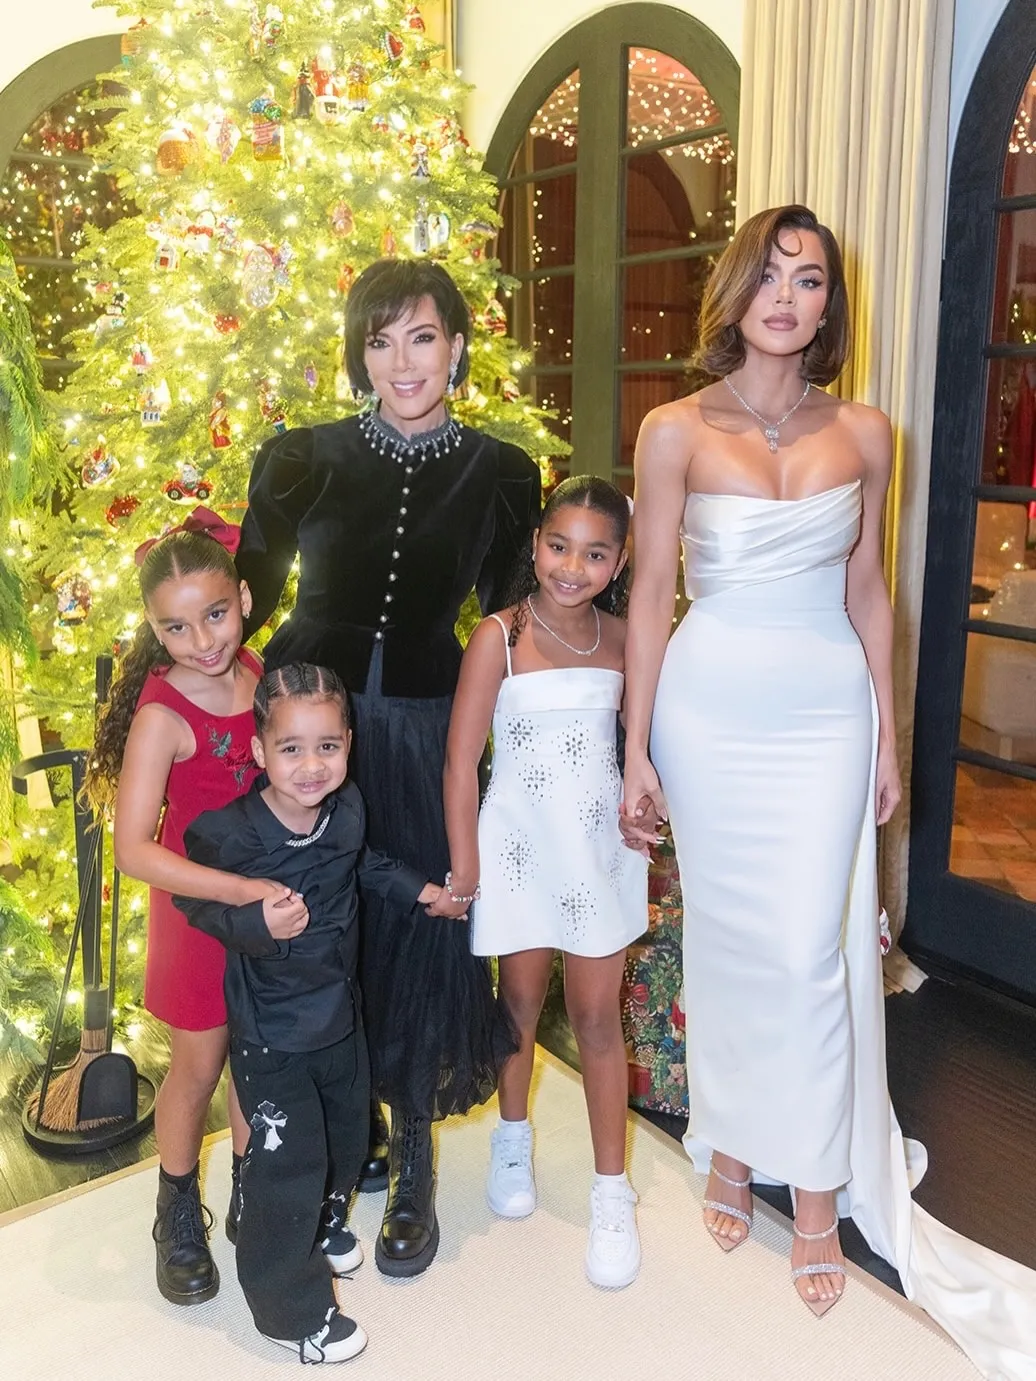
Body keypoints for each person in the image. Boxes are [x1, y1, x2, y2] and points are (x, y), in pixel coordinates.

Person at [621, 204, 1036, 1370]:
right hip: (707, 710)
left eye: (808, 279)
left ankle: (814, 1184)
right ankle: (734, 1145)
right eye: (769, 274)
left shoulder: (866, 429)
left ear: (826, 303)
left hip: (820, 714)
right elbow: (650, 594)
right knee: (733, 939)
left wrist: (889, 736)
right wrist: (635, 745)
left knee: (809, 945)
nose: (787, 295)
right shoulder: (670, 429)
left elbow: (868, 592)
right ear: (735, 291)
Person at [236, 258, 542, 1276]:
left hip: (421, 725)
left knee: (421, 933)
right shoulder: (300, 456)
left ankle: (411, 1156)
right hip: (306, 726)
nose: (399, 362)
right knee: (318, 933)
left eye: (420, 336)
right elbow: (243, 599)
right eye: (379, 339)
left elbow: (508, 619)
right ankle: (340, 1135)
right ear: (357, 351)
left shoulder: (504, 471)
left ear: (457, 344)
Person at [174, 664, 442, 1364]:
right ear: (260, 751)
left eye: (328, 745)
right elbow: (192, 903)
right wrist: (257, 923)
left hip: (340, 1021)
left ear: (348, 744)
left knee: (347, 1141)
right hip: (272, 1038)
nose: (311, 764)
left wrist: (421, 891)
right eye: (291, 747)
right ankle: (290, 1311)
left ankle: (321, 1222)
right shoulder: (230, 835)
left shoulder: (347, 806)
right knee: (285, 1170)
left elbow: (366, 864)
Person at [440, 476, 649, 1289]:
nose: (573, 566)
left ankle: (609, 1191)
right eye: (559, 545)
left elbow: (645, 747)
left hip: (596, 849)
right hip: (519, 848)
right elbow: (462, 761)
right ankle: (513, 1137)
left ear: (618, 560)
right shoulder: (499, 635)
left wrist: (648, 797)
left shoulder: (629, 640)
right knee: (518, 1005)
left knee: (598, 1019)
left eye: (595, 553)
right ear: (534, 544)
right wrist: (466, 864)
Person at [86, 508, 289, 1306]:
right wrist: (240, 890)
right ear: (152, 628)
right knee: (198, 1067)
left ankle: (250, 1187)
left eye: (215, 614)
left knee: (257, 1057)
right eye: (176, 627)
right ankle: (176, 1205)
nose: (203, 640)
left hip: (265, 912)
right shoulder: (163, 716)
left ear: (243, 597)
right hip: (200, 918)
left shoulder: (259, 670)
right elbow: (136, 849)